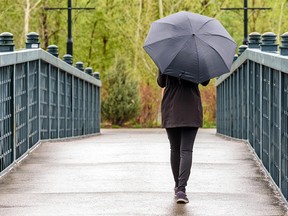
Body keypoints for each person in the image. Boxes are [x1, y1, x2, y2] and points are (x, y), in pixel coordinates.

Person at [157, 70, 210, 204]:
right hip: (191, 107)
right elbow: (205, 82)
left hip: (171, 107)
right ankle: (182, 190)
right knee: (186, 150)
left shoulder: (167, 57)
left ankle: (177, 187)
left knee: (175, 149)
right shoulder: (198, 58)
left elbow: (161, 83)